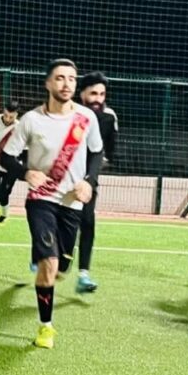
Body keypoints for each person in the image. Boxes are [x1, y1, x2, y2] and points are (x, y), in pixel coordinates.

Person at [0, 59, 103, 349]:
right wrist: (25, 173)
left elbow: (97, 153)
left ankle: (46, 257)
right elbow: (6, 157)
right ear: (48, 83)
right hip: (41, 200)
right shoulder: (31, 120)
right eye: (60, 78)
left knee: (61, 269)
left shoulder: (86, 118)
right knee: (49, 263)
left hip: (72, 203)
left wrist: (89, 181)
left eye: (71, 78)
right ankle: (46, 327)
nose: (67, 83)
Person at [74, 71, 120, 293]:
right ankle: (47, 256)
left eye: (102, 94)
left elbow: (110, 150)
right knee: (59, 223)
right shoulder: (70, 113)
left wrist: (98, 166)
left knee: (87, 222)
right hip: (61, 178)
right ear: (82, 94)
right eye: (93, 93)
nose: (98, 99)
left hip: (88, 180)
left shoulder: (109, 117)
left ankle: (83, 274)